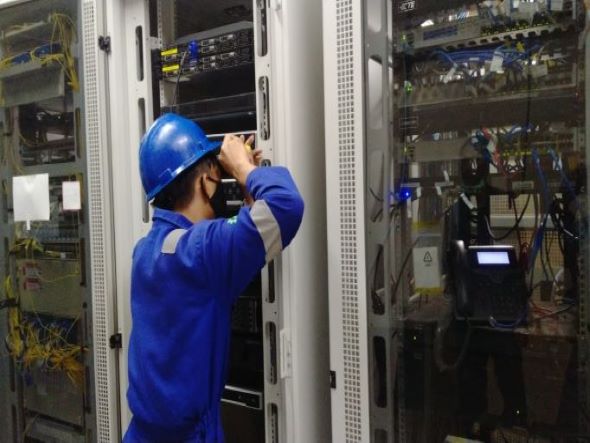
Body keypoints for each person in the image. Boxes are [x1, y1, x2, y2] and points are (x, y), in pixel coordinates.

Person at [123, 113, 304, 442]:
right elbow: (286, 204)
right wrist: (244, 169)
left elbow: (220, 268)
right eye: (217, 172)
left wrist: (249, 197)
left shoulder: (145, 251)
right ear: (204, 182)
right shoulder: (202, 252)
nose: (221, 180)